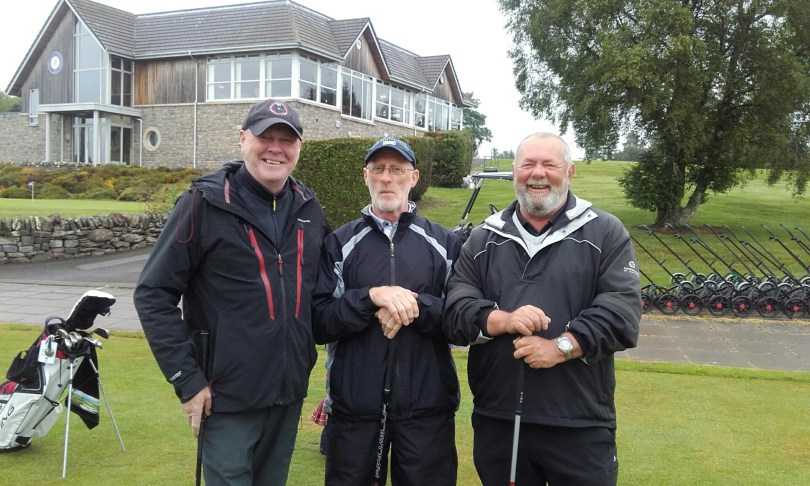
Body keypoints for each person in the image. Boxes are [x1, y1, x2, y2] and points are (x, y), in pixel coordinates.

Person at [133, 99, 330, 486]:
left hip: (288, 394)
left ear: (299, 148)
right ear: (242, 139)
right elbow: (153, 293)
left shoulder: (309, 209)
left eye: (287, 140)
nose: (276, 149)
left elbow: (323, 296)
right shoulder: (203, 203)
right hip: (225, 399)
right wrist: (187, 380)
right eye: (265, 137)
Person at [443, 132, 641, 486]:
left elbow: (621, 313)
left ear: (569, 172)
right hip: (499, 420)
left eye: (550, 164)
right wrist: (501, 319)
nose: (538, 173)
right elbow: (456, 309)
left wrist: (560, 347)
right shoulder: (483, 238)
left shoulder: (605, 232)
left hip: (579, 422)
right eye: (528, 164)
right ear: (515, 172)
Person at [311, 135, 461, 485]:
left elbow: (461, 320)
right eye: (378, 169)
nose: (386, 178)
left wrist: (412, 305)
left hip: (427, 407)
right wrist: (370, 298)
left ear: (414, 177)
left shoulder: (445, 243)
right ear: (366, 176)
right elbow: (320, 320)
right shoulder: (339, 243)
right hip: (355, 408)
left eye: (397, 169)